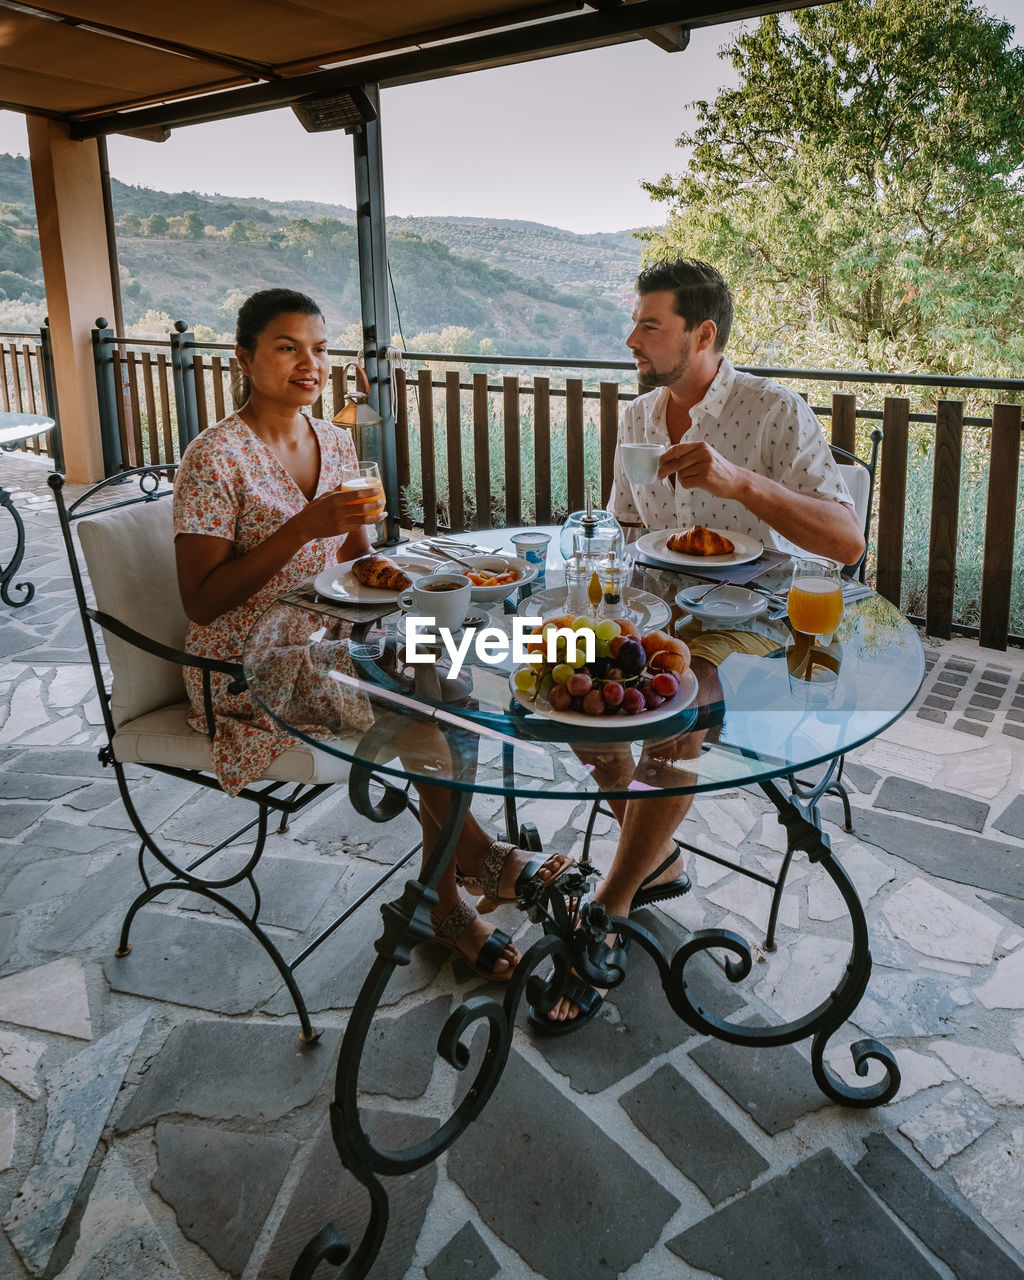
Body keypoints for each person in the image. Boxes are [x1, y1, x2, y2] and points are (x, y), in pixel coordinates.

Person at [173, 288, 569, 983]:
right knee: (429, 701)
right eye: (287, 347)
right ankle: (457, 885)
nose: (309, 363)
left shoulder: (334, 439)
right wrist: (303, 529)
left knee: (446, 673)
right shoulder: (214, 457)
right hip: (248, 662)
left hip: (337, 638)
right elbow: (201, 603)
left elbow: (360, 563)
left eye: (320, 348)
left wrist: (391, 563)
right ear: (244, 357)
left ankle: (456, 876)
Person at [534, 258, 864, 1030]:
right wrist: (597, 604)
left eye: (650, 325)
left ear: (703, 333)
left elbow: (846, 544)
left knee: (678, 709)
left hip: (755, 619)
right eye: (637, 323)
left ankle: (607, 914)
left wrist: (740, 483)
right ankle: (661, 858)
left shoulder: (774, 412)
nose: (632, 339)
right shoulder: (641, 417)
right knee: (568, 687)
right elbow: (623, 525)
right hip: (655, 607)